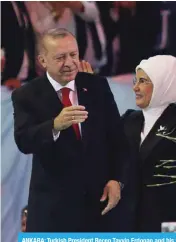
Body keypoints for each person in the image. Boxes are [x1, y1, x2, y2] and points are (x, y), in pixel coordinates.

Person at [12, 28, 127, 232]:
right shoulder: (27, 95)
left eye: (73, 55)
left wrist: (117, 180)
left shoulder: (97, 86)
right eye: (60, 57)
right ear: (42, 61)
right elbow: (24, 140)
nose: (69, 62)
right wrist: (55, 125)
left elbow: (117, 140)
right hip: (53, 213)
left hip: (98, 208)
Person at [120, 55, 176, 232]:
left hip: (166, 223)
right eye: (135, 81)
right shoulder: (128, 120)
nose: (135, 88)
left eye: (143, 81)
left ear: (163, 84)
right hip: (126, 222)